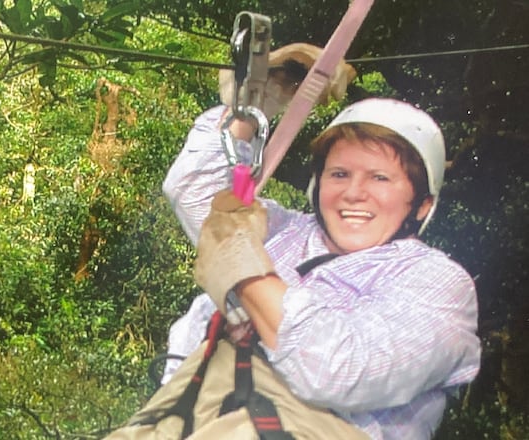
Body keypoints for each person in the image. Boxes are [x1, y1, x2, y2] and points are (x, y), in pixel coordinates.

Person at [106, 96, 481, 439]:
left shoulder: (437, 284)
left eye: (379, 178)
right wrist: (254, 102)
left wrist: (244, 269)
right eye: (339, 174)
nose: (353, 192)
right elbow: (195, 191)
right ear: (318, 184)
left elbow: (339, 371)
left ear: (421, 205)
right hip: (188, 414)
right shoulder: (283, 231)